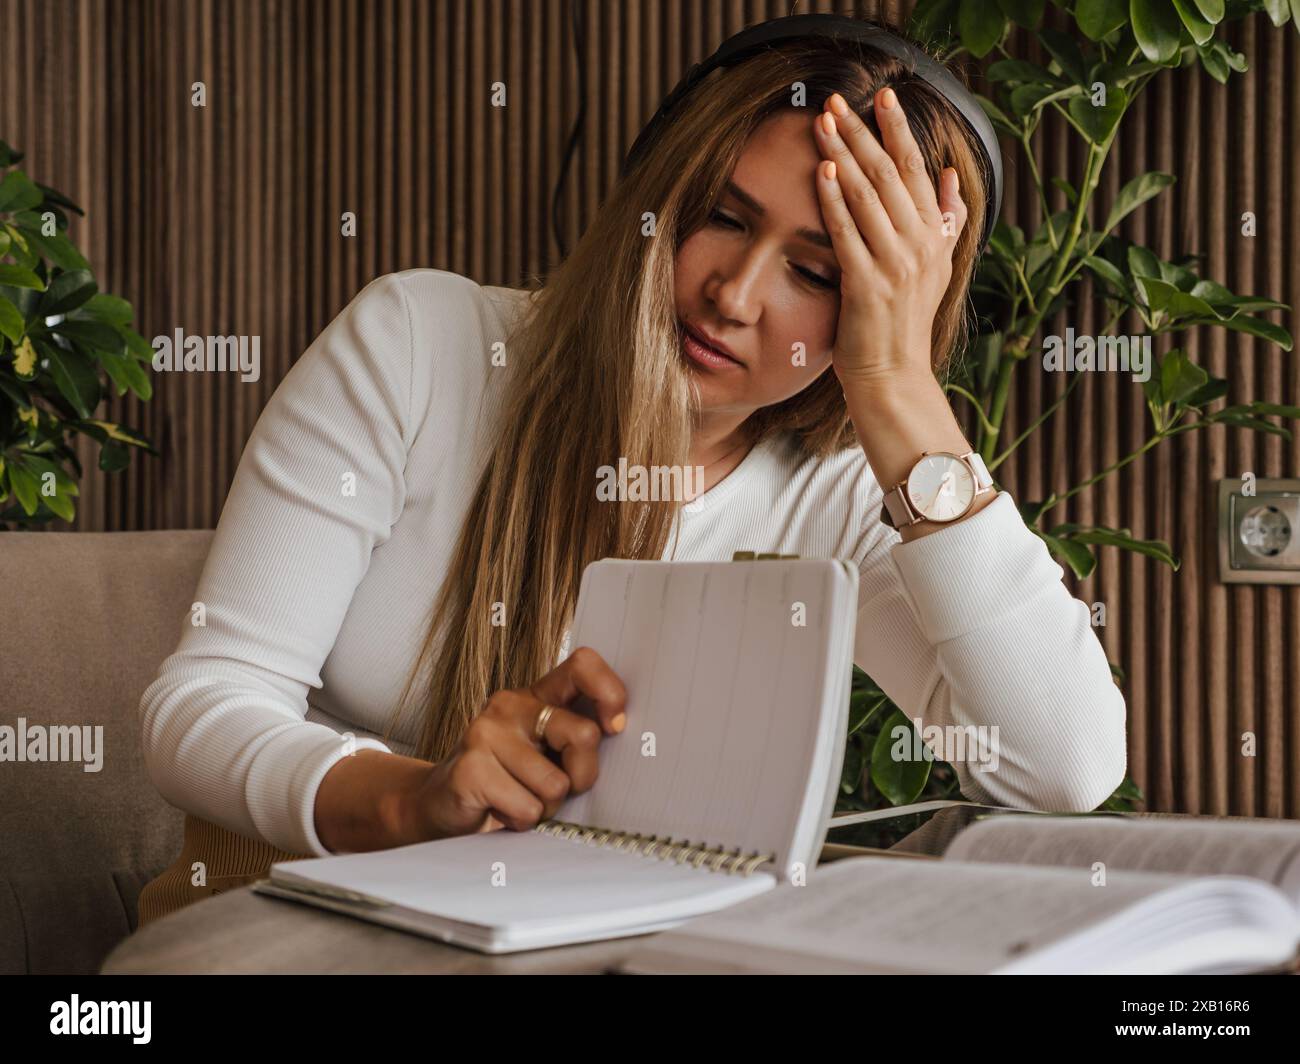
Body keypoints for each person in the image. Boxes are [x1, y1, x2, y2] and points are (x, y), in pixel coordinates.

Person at [137, 29, 1127, 924]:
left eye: (818, 272)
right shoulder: (418, 344)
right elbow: (202, 704)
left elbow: (1063, 765)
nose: (732, 295)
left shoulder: (843, 491)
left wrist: (897, 385)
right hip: (286, 923)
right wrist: (409, 797)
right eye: (720, 216)